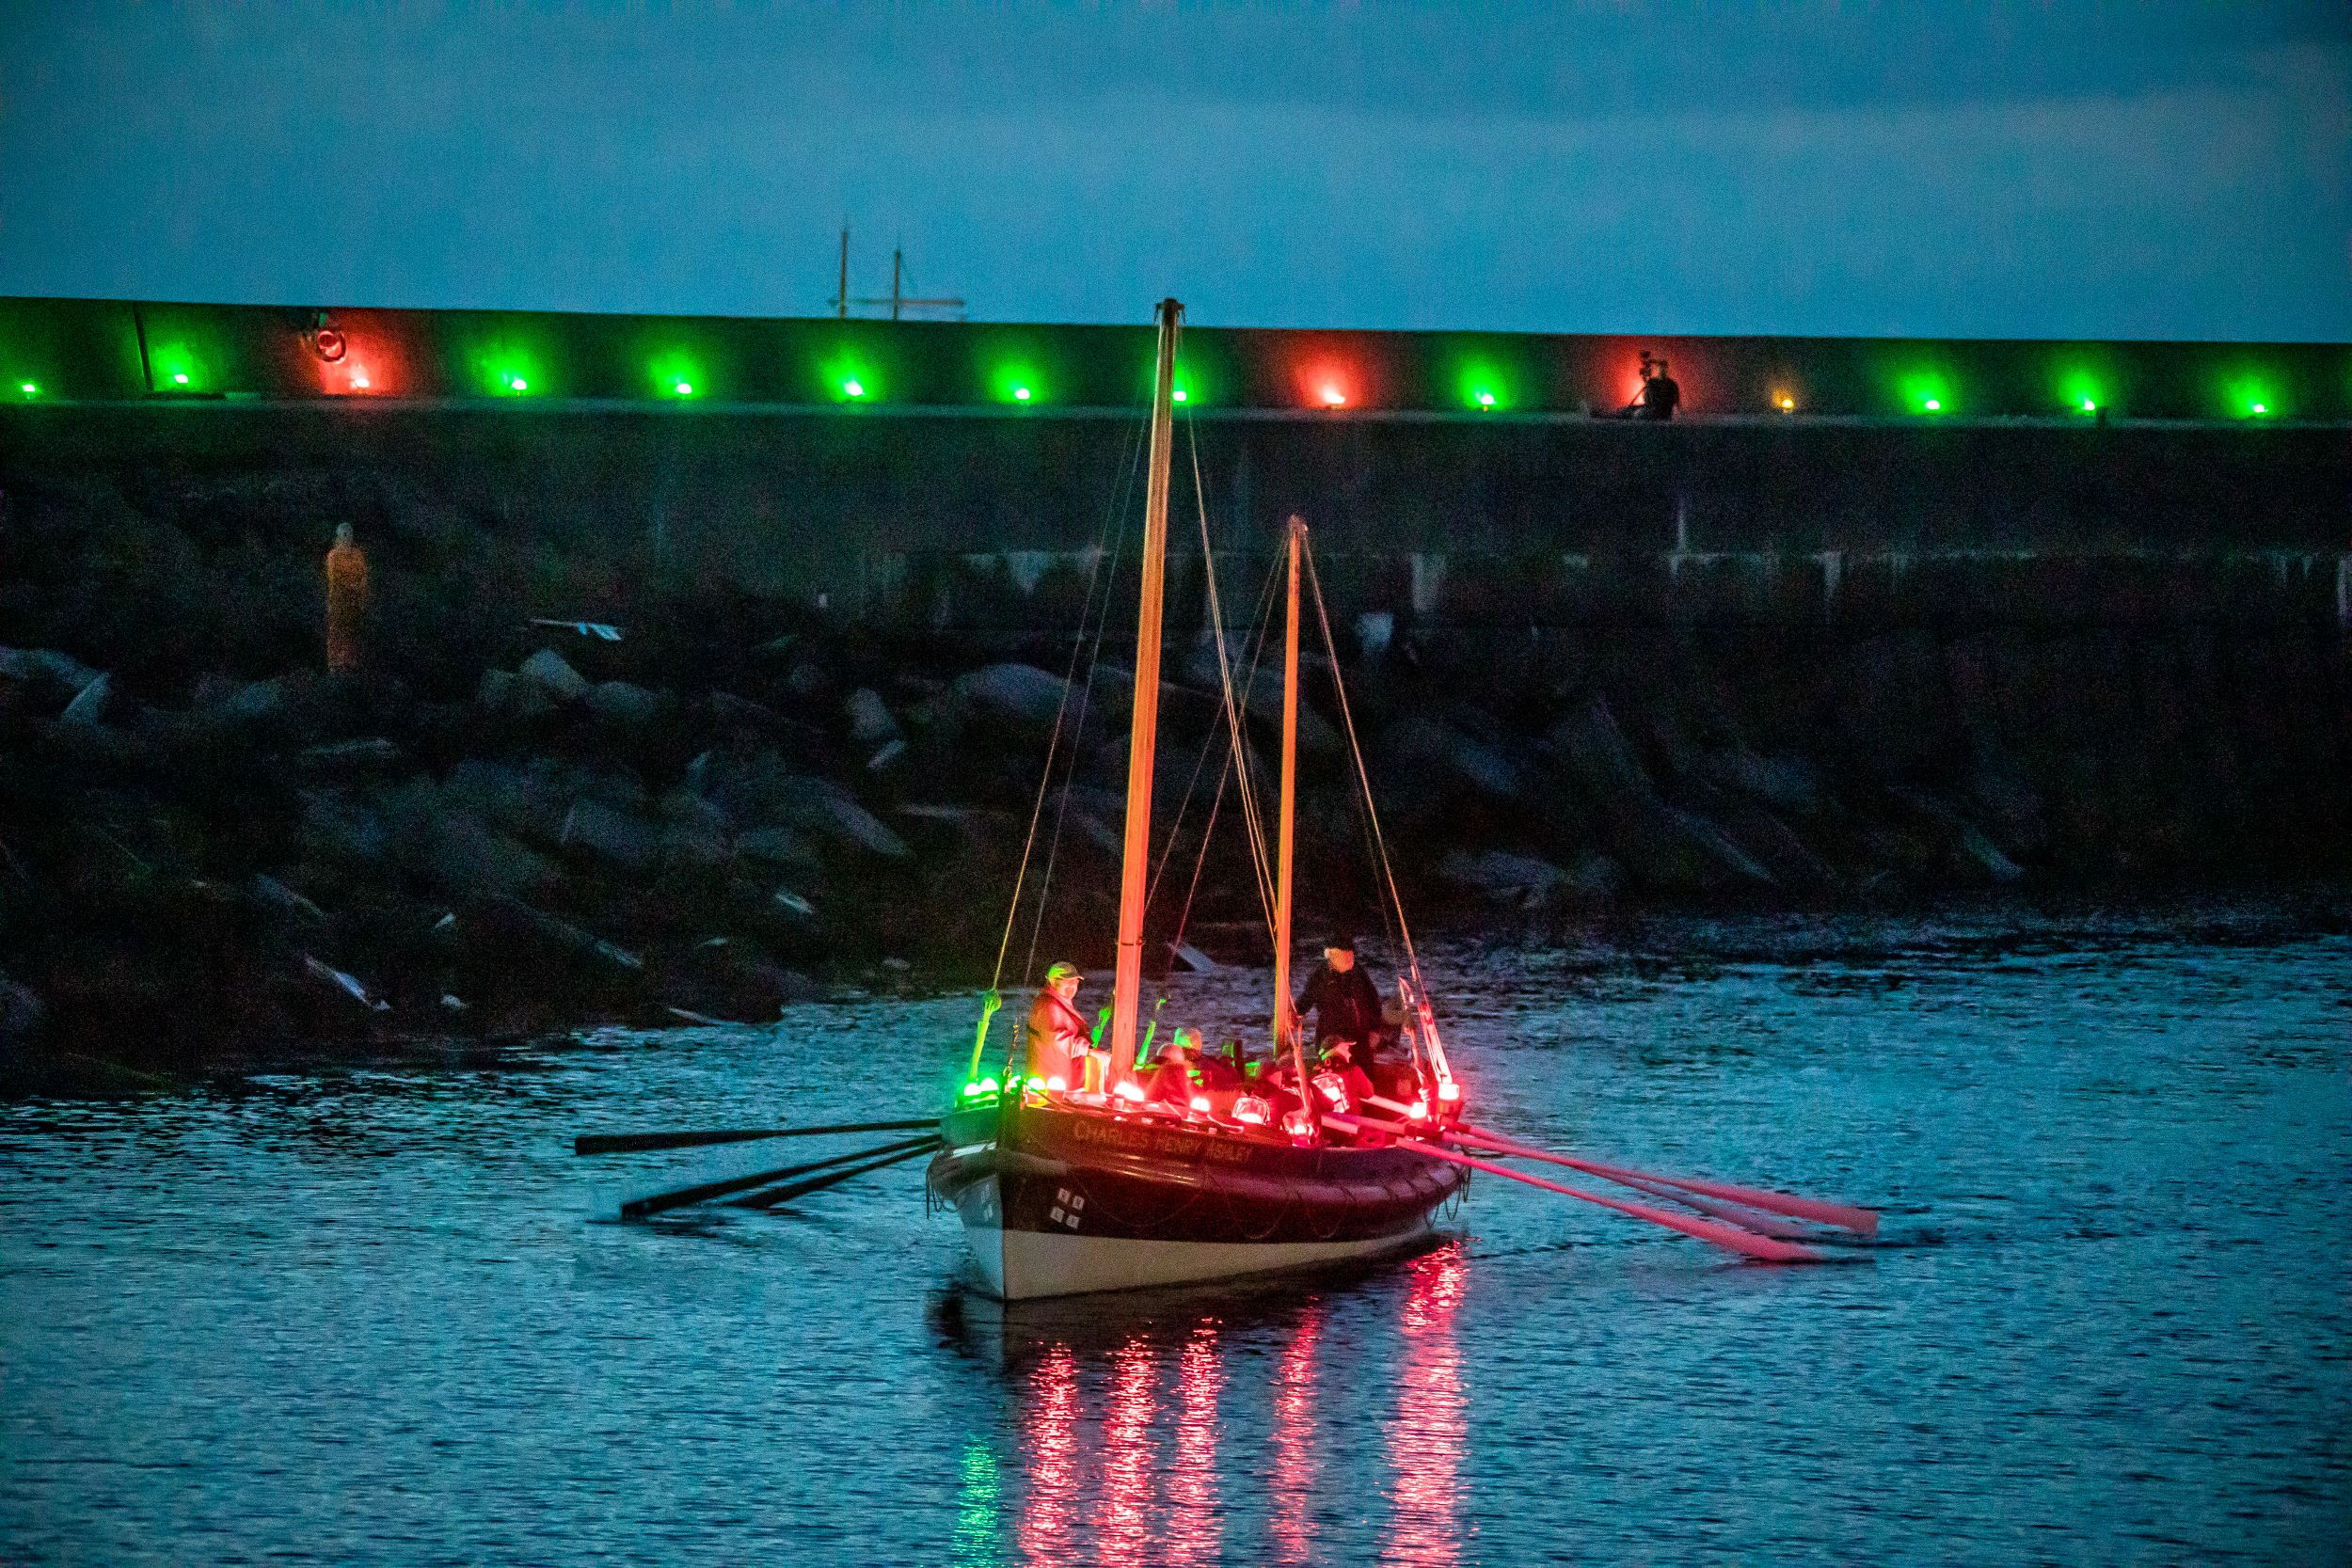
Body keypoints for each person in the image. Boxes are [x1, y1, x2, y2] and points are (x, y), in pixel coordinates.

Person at [1295, 936, 1386, 1073]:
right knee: (1331, 1073)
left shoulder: (1358, 972)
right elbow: (1307, 997)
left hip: (1358, 1034)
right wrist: (1295, 1013)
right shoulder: (1321, 974)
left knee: (1364, 1072)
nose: (1349, 959)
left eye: (1351, 956)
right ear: (1331, 955)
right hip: (1330, 1036)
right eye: (1345, 956)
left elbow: (1373, 1001)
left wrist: (1375, 1029)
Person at [1024, 962, 1090, 1092]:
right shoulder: (1048, 1005)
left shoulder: (1060, 1002)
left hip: (1062, 1082)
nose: (1072, 985)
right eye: (1066, 981)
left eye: (1075, 981)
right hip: (1050, 1087)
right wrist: (1090, 1051)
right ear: (1053, 982)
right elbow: (1056, 1039)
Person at [324, 523, 369, 674]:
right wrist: (350, 586)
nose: (346, 538)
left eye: (348, 534)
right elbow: (334, 579)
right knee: (337, 629)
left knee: (352, 630)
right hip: (339, 600)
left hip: (354, 601)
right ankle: (335, 663)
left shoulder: (357, 555)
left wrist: (360, 591)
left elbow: (363, 575)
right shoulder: (333, 555)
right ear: (338, 536)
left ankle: (350, 662)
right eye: (343, 535)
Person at [1624, 354, 1681, 421]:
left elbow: (1677, 401)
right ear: (1657, 370)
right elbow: (1647, 400)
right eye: (1660, 369)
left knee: (1637, 414)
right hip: (1652, 409)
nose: (1662, 371)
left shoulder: (1671, 384)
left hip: (1662, 413)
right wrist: (1647, 384)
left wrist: (1681, 415)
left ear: (1666, 370)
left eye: (1663, 369)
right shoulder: (1653, 382)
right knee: (1630, 409)